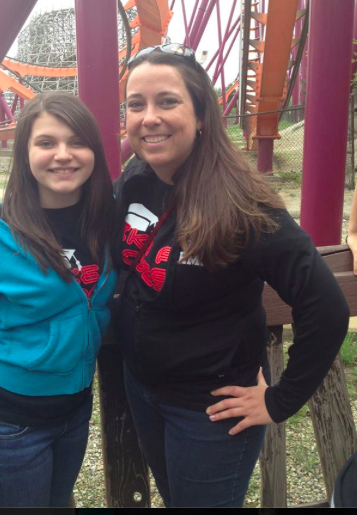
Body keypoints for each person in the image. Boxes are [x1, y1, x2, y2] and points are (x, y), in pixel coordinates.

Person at [112, 44, 350, 508]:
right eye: (136, 104)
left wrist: (279, 401)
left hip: (209, 411)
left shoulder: (241, 203)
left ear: (201, 115)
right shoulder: (137, 179)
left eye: (167, 101)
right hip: (142, 388)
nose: (149, 117)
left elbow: (326, 307)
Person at [0, 92, 117, 507]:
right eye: (46, 143)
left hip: (74, 413)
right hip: (6, 424)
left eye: (77, 142)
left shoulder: (108, 219)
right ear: (25, 153)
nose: (63, 155)